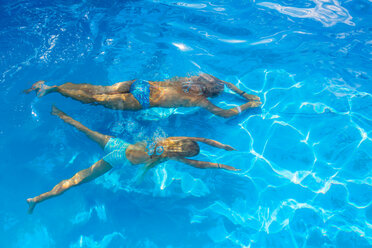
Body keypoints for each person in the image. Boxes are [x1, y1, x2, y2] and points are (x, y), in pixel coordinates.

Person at [26, 106, 239, 214]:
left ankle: (58, 113)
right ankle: (37, 199)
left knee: (85, 129)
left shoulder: (171, 141)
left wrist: (222, 147)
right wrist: (222, 164)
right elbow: (199, 164)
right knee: (76, 180)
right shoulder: (168, 155)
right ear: (182, 153)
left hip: (119, 144)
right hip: (116, 159)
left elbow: (200, 139)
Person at [24, 73, 261, 118]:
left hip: (140, 83)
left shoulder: (194, 78)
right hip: (142, 100)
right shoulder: (197, 99)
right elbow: (225, 114)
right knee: (95, 99)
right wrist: (248, 104)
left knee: (99, 89)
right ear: (211, 92)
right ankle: (50, 90)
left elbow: (224, 82)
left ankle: (53, 85)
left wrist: (240, 91)